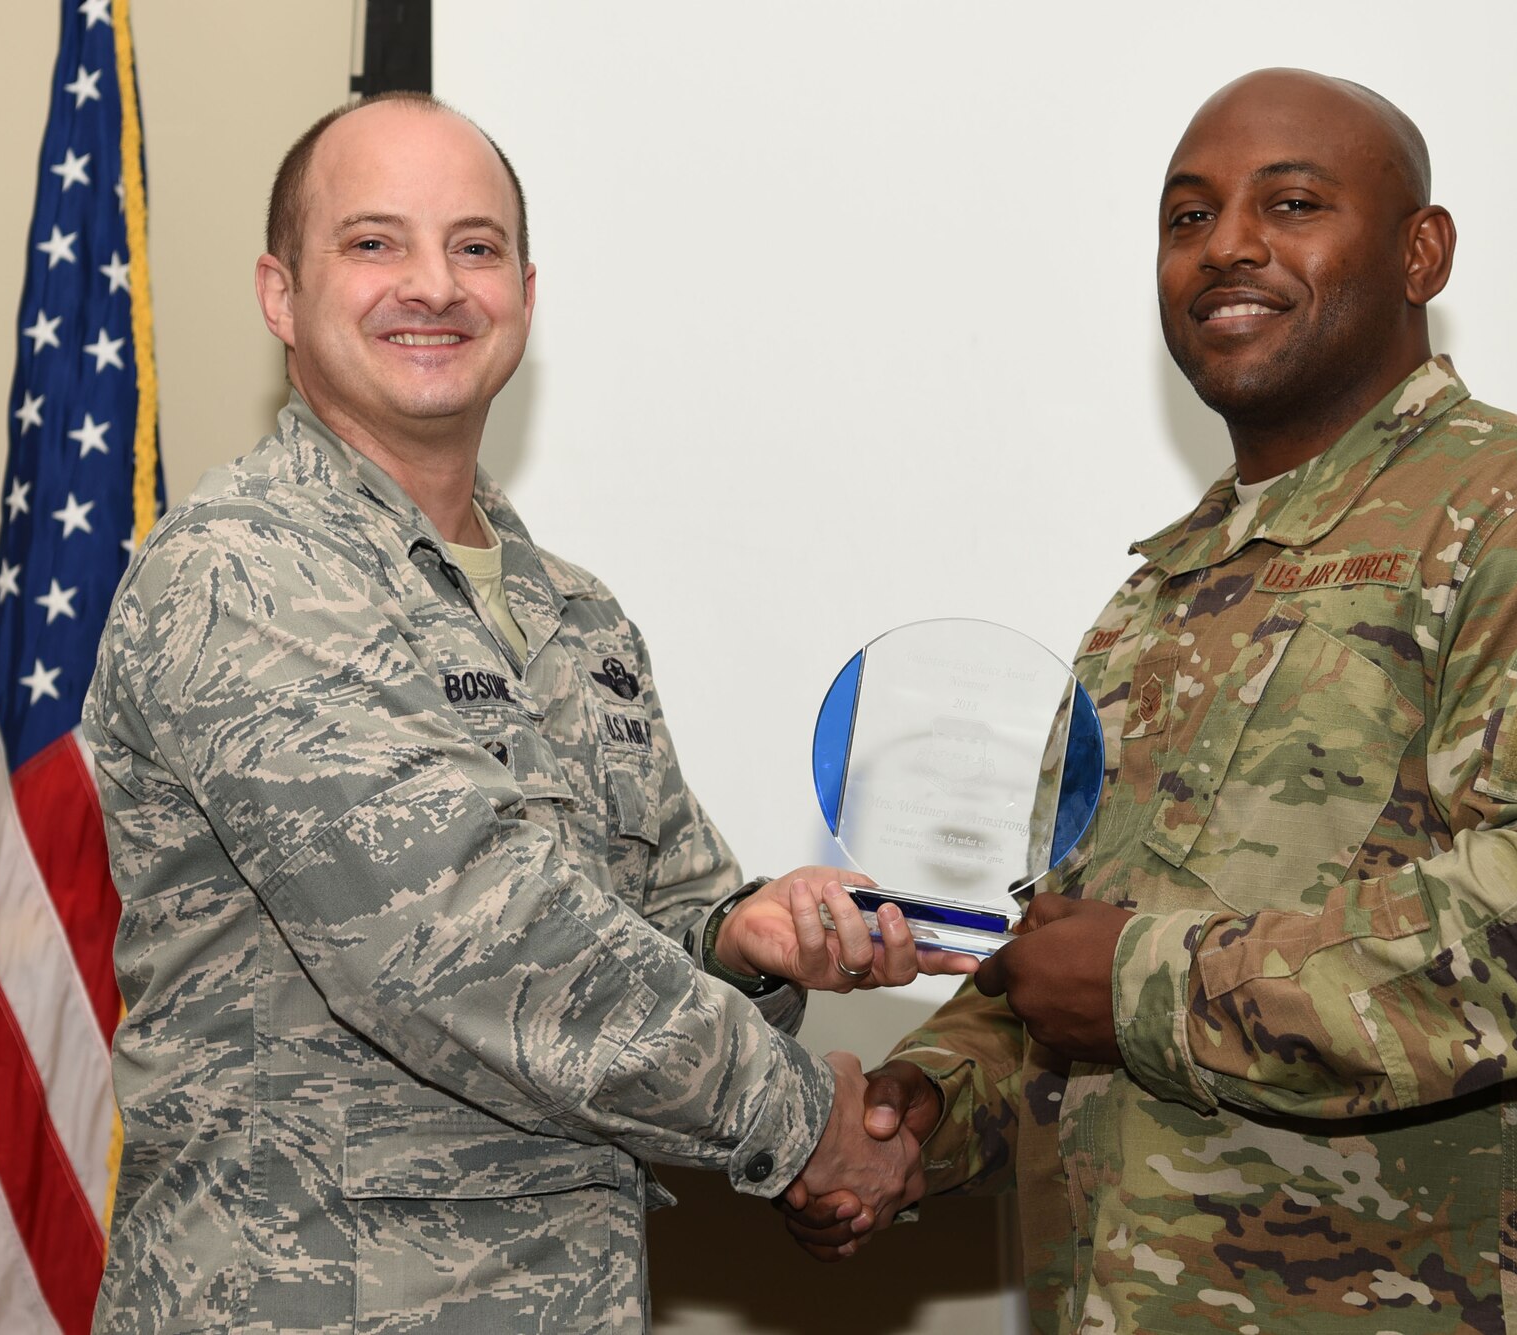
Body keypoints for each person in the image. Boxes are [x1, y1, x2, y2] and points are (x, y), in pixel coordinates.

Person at [785, 68, 1517, 1334]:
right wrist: (924, 1108)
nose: (1226, 245)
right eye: (1185, 218)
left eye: (1290, 203)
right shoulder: (1155, 597)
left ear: (1420, 253)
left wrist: (1141, 978)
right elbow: (1063, 953)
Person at [81, 92, 965, 1334]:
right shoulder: (242, 572)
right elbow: (465, 941)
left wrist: (742, 938)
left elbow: (651, 913)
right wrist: (804, 1123)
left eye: (475, 246)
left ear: (525, 295)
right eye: (374, 242)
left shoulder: (576, 614)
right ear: (281, 293)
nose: (433, 285)